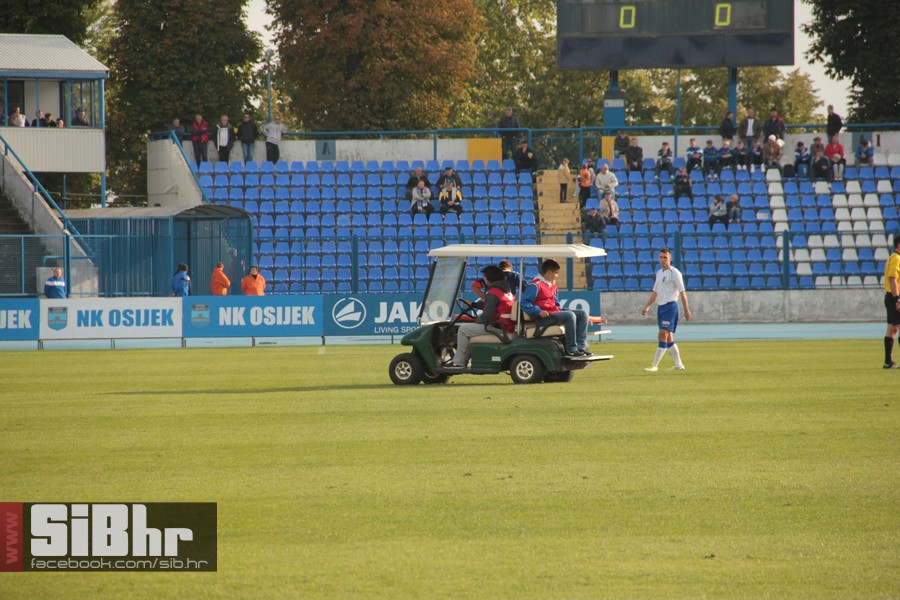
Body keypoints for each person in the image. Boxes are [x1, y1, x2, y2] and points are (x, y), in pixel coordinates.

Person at [445, 265, 517, 371]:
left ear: (489, 277)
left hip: (499, 327)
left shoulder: (492, 292)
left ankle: (458, 363)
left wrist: (475, 320)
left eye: (485, 276)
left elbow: (486, 317)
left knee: (463, 329)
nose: (484, 278)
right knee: (470, 330)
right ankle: (463, 360)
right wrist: (474, 305)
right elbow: (493, 306)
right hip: (505, 325)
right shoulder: (505, 290)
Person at [521, 259, 591, 357]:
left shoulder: (552, 287)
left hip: (553, 316)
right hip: (543, 318)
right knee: (569, 315)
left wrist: (567, 310)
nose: (557, 276)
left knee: (583, 314)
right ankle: (571, 349)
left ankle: (581, 348)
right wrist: (538, 311)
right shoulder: (535, 285)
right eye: (556, 273)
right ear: (549, 272)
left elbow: (557, 306)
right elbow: (524, 302)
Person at [641, 248, 692, 371]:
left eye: (665, 257)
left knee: (662, 335)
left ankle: (654, 365)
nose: (663, 259)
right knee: (669, 338)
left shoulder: (674, 273)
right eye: (661, 257)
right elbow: (655, 293)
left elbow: (682, 292)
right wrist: (647, 306)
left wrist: (686, 309)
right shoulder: (659, 273)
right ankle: (679, 364)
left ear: (670, 258)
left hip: (671, 307)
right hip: (661, 307)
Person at [882, 235, 900, 369]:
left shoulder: (892, 257)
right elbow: (892, 279)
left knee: (892, 329)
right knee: (896, 327)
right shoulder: (897, 259)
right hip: (895, 297)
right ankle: (888, 361)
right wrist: (897, 299)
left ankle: (888, 362)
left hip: (890, 297)